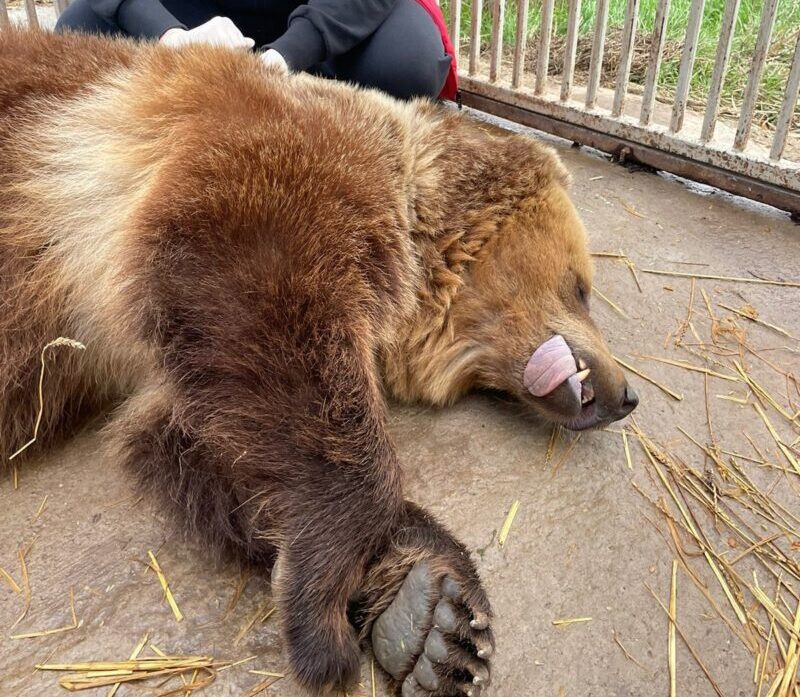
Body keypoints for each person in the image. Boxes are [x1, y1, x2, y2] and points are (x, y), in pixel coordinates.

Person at [55, 0, 458, 101]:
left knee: (408, 61)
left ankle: (307, 81)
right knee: (78, 30)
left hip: (327, 14)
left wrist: (288, 53)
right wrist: (169, 35)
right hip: (198, 15)